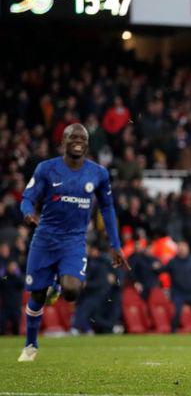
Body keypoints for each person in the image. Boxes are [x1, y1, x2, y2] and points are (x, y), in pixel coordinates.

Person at [18, 123, 129, 361]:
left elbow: (108, 209)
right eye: (73, 137)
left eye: (82, 138)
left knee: (71, 291)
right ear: (63, 142)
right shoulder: (46, 169)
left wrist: (115, 245)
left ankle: (57, 287)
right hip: (45, 239)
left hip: (74, 241)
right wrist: (28, 213)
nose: (78, 141)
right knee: (37, 296)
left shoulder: (98, 173)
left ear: (87, 144)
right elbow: (27, 197)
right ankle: (30, 345)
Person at [161, 241, 191, 333]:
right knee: (176, 311)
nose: (182, 250)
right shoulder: (172, 261)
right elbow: (162, 270)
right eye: (180, 248)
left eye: (184, 248)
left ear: (188, 249)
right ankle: (173, 330)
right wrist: (155, 266)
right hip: (177, 293)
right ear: (177, 249)